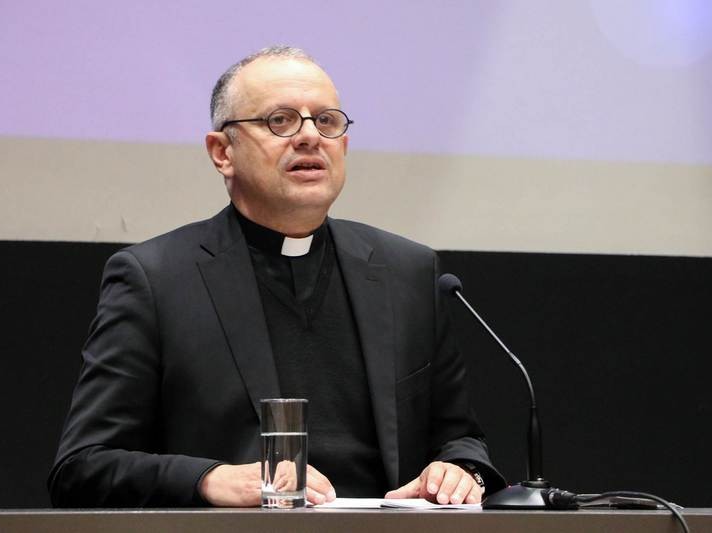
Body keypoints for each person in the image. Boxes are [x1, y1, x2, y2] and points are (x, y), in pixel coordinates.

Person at [48, 46, 504, 507]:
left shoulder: (407, 272)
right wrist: (209, 480)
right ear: (222, 152)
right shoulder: (157, 280)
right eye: (280, 121)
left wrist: (461, 472)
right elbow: (82, 467)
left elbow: (461, 440)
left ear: (344, 145)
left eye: (326, 121)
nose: (309, 137)